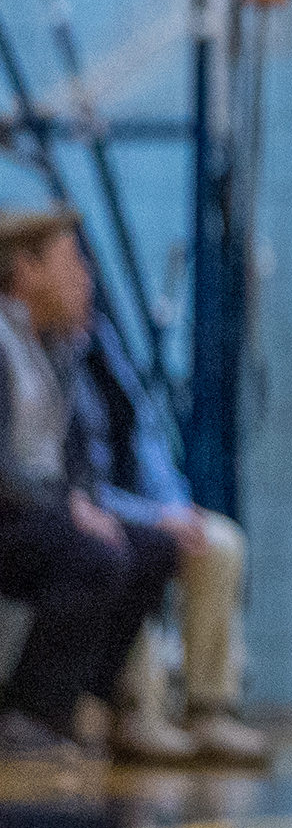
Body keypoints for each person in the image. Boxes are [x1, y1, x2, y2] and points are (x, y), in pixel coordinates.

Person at [0, 209, 180, 757]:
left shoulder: (54, 347)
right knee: (92, 554)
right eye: (71, 261)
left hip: (36, 512)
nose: (85, 277)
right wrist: (66, 506)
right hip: (11, 513)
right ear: (26, 271)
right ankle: (31, 712)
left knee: (152, 546)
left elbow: (72, 460)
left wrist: (81, 503)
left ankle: (89, 704)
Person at [63, 278, 265, 765]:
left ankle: (207, 707)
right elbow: (73, 474)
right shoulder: (45, 352)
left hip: (136, 506)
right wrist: (153, 518)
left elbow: (146, 437)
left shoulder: (104, 340)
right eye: (73, 267)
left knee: (220, 542)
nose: (87, 284)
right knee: (144, 548)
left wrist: (175, 507)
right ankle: (136, 708)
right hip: (97, 507)